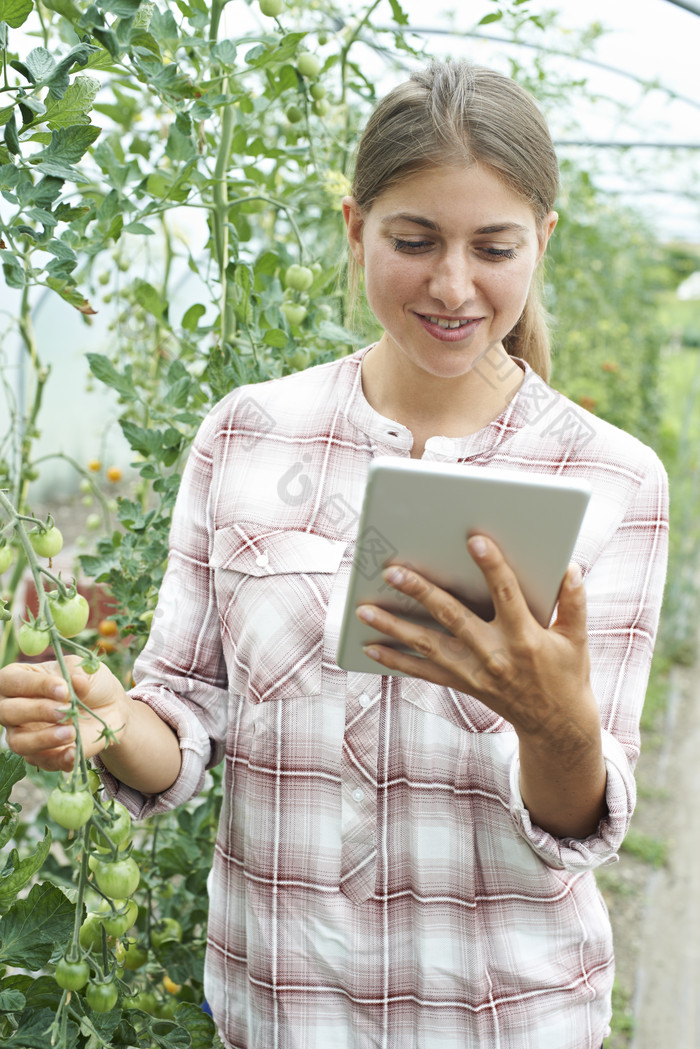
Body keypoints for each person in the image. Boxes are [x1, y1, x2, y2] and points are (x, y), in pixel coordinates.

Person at [0, 61, 668, 1049]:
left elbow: (578, 819)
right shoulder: (248, 433)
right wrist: (107, 716)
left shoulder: (608, 476)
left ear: (542, 243)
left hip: (505, 1014)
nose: (452, 284)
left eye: (493, 247)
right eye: (413, 240)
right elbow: (184, 707)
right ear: (355, 228)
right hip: (281, 1007)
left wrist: (552, 718)